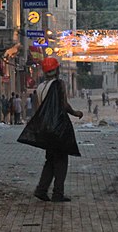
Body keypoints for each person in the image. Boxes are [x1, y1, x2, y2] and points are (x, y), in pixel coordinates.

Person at [34, 58, 83, 202]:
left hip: (46, 129)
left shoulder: (40, 87)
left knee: (50, 160)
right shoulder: (58, 84)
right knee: (61, 160)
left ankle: (41, 190)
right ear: (57, 69)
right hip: (58, 128)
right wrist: (76, 113)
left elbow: (39, 110)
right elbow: (64, 104)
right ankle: (58, 193)